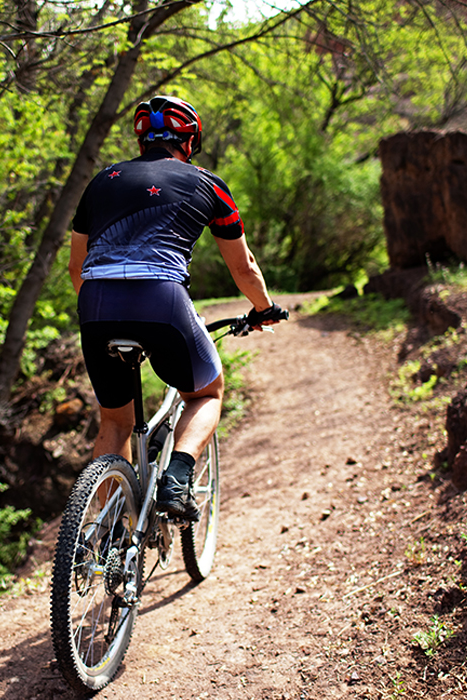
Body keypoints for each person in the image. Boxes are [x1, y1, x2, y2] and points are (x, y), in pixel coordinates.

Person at [68, 95, 288, 521]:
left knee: (114, 421)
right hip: (161, 300)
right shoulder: (207, 183)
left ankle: (105, 534)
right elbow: (243, 267)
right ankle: (176, 480)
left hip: (95, 305)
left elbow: (77, 268)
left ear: (141, 139)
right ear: (189, 141)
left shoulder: (101, 181)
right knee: (207, 392)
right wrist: (264, 308)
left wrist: (105, 308)